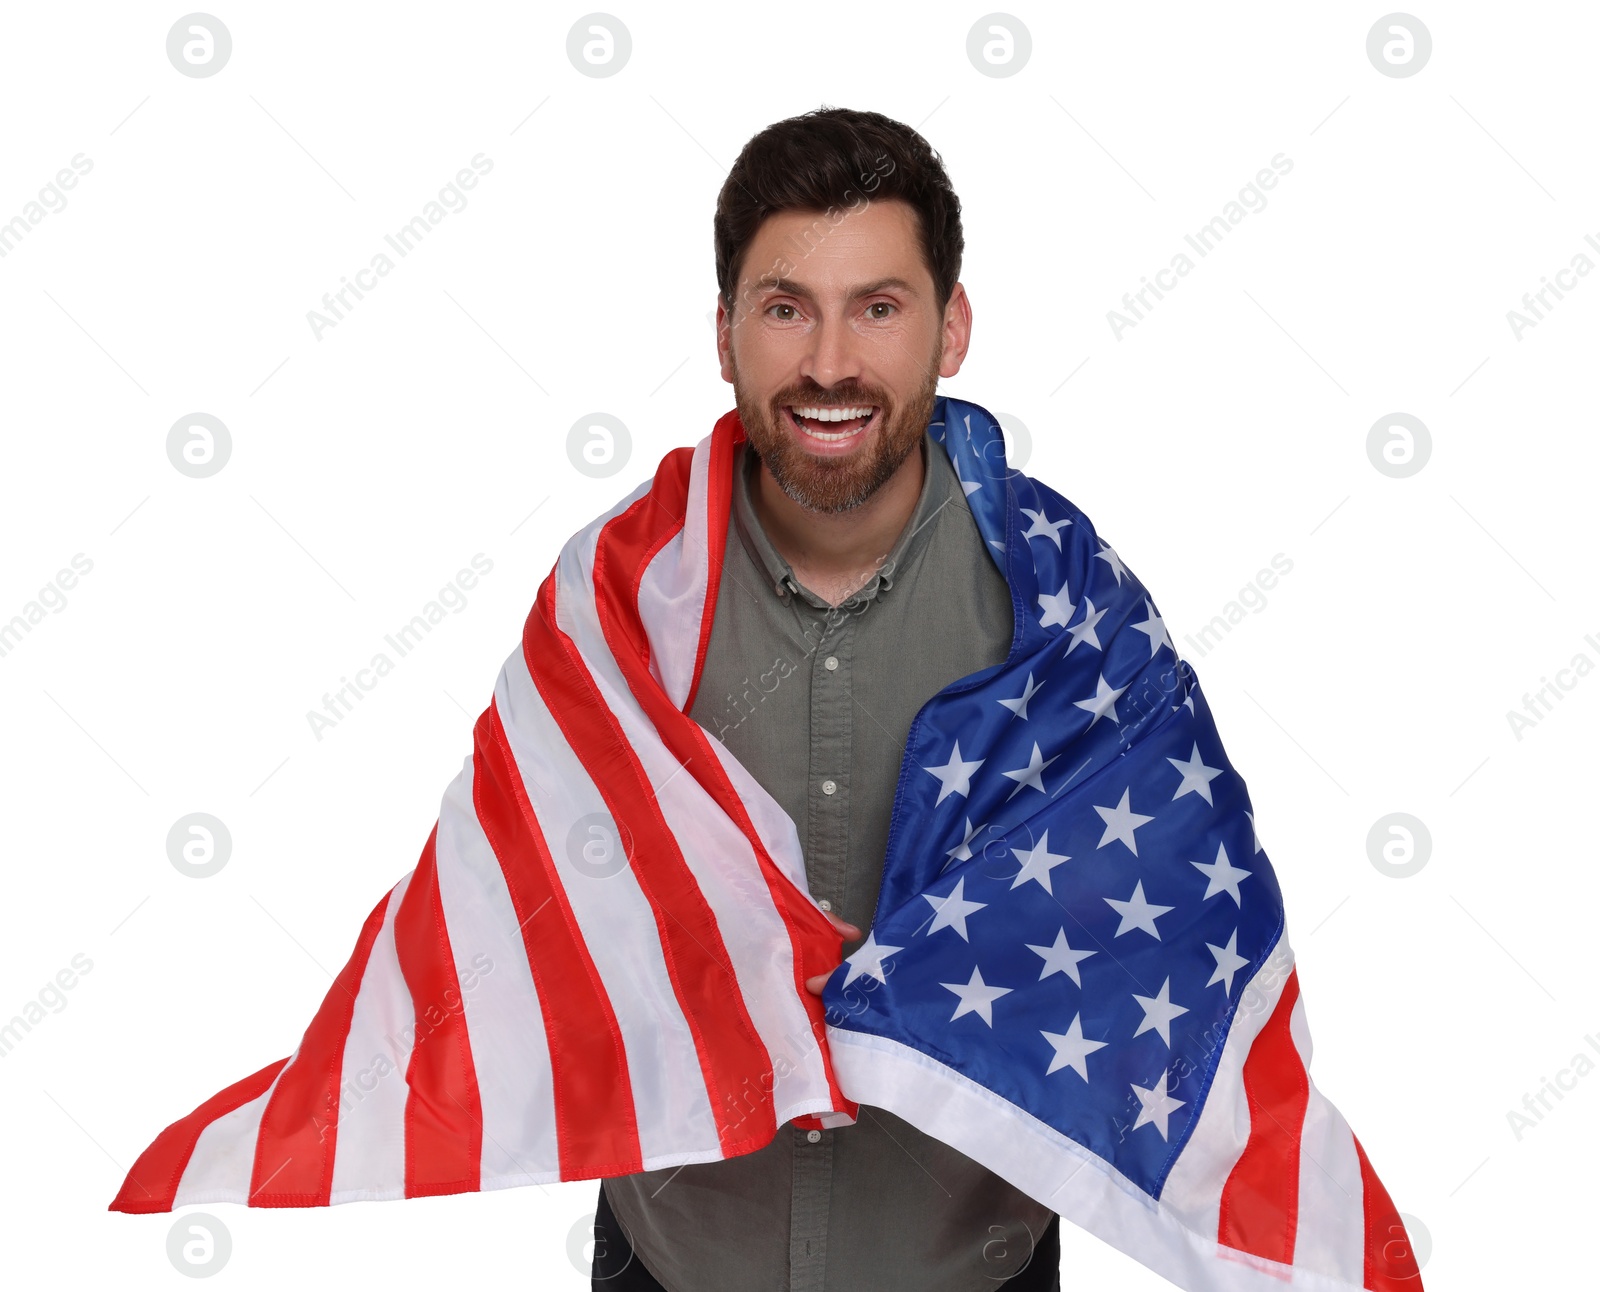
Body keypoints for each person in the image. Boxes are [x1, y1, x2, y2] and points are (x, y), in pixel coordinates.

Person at [594, 106, 1062, 1292]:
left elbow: (1153, 904)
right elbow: (523, 893)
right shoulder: (618, 597)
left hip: (976, 1259)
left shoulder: (1059, 597)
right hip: (678, 1252)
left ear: (951, 328)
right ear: (724, 331)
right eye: (786, 305)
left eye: (880, 306)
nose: (831, 364)